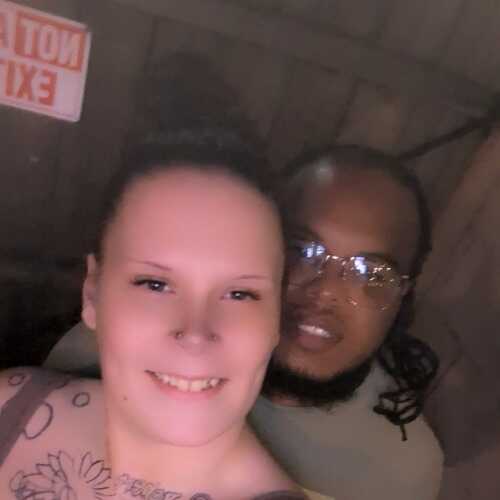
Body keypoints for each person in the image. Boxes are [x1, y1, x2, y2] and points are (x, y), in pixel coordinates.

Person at [0, 128, 307, 500]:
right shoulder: (9, 404)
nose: (195, 334)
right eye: (155, 285)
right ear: (93, 293)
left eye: (240, 294)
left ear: (276, 320)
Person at [250, 145, 444, 500]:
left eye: (371, 273)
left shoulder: (404, 472)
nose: (325, 292)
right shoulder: (167, 364)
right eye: (302, 250)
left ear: (402, 297)